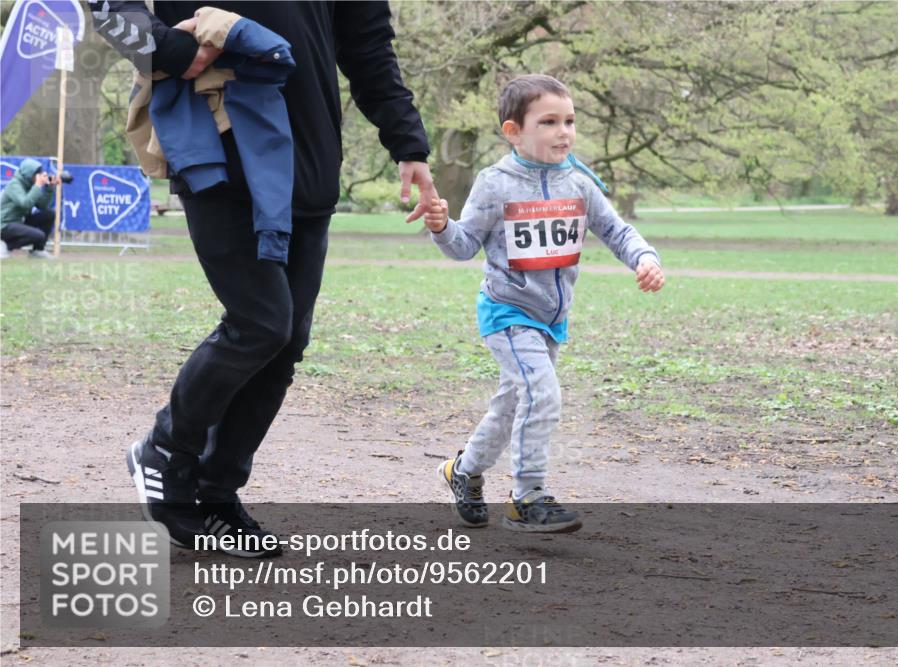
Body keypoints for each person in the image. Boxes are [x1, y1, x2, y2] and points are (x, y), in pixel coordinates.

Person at [90, 1, 436, 555]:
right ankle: (166, 453)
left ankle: (216, 495)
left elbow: (368, 45)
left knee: (287, 338)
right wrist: (169, 48)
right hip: (217, 140)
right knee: (261, 322)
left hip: (310, 155)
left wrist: (407, 142)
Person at [424, 74, 665, 533]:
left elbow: (616, 231)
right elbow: (462, 245)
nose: (564, 132)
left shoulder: (579, 182)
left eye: (569, 121)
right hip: (506, 312)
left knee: (514, 404)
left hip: (550, 318)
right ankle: (527, 495)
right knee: (542, 394)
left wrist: (645, 258)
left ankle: (464, 471)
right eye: (549, 122)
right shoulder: (495, 184)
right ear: (513, 130)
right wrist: (441, 225)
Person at [0, 158, 57, 259]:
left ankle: (38, 250)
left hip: (19, 222)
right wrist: (38, 185)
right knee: (39, 235)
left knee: (49, 214)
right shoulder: (14, 185)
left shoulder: (30, 185)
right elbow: (25, 203)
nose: (40, 176)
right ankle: (5, 245)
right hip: (5, 225)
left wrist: (49, 188)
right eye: (37, 174)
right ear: (29, 175)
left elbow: (42, 205)